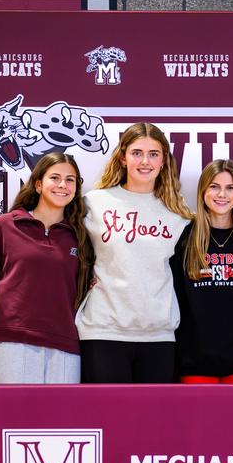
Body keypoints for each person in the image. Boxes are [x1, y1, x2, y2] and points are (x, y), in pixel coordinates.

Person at [75, 122, 192, 383]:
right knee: (108, 418)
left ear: (164, 161)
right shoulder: (95, 202)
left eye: (154, 154)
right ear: (123, 158)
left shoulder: (179, 213)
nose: (145, 161)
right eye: (137, 153)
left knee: (152, 422)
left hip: (158, 333)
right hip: (103, 330)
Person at [0, 152, 91, 383]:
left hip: (65, 342)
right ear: (38, 183)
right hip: (13, 341)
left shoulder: (81, 236)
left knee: (61, 419)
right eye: (55, 177)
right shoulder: (6, 225)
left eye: (70, 179)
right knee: (12, 417)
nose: (63, 185)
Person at [173, 159, 233, 383]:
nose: (222, 194)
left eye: (230, 188)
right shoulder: (185, 238)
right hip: (195, 361)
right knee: (198, 420)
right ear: (203, 191)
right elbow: (175, 297)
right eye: (214, 186)